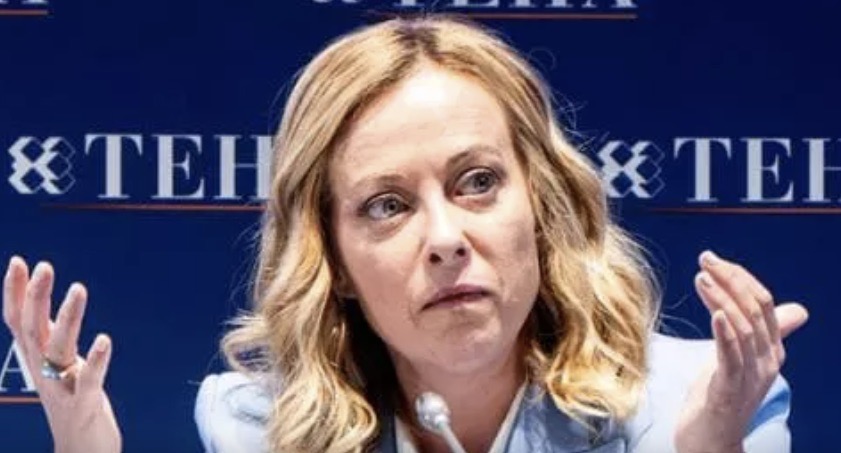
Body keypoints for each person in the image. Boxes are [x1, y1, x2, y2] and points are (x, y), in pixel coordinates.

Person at [2, 15, 809, 453]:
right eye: (386, 205)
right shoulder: (257, 424)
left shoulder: (696, 399)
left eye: (477, 182)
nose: (445, 237)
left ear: (541, 207)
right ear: (334, 260)